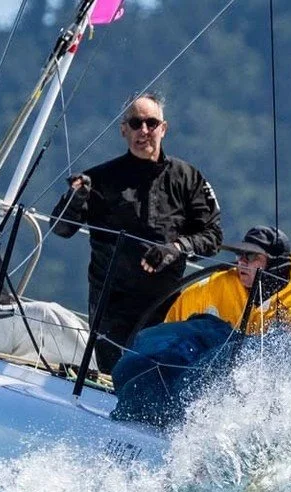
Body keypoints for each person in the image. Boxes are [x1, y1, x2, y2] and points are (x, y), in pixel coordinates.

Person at [50, 92, 223, 372]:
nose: (144, 131)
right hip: (112, 305)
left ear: (163, 129)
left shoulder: (188, 178)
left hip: (165, 303)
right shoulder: (100, 179)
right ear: (123, 130)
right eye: (135, 123)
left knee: (151, 376)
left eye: (151, 123)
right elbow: (61, 229)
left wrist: (176, 248)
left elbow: (213, 237)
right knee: (114, 375)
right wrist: (74, 200)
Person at [164, 225, 291, 334]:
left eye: (250, 256)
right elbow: (166, 335)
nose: (241, 262)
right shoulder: (209, 289)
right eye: (239, 254)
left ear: (276, 264)